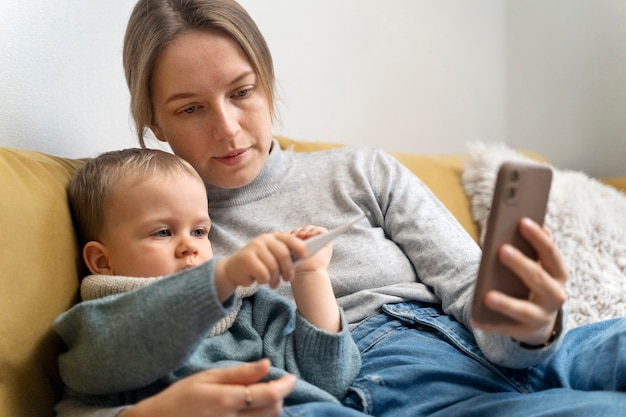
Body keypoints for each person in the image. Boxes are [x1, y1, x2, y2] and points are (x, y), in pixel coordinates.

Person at [56, 0, 626, 416]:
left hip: (505, 348)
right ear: (154, 121)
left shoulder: (362, 170)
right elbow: (111, 356)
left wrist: (529, 326)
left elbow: (468, 286)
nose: (228, 129)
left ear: (267, 84)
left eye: (241, 92)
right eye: (190, 109)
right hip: (397, 383)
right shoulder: (170, 241)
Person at [55, 148, 363, 416]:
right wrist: (222, 276)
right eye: (163, 232)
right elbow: (107, 361)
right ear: (102, 262)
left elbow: (329, 380)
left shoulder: (250, 309)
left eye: (199, 231)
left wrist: (310, 277)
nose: (190, 246)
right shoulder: (97, 324)